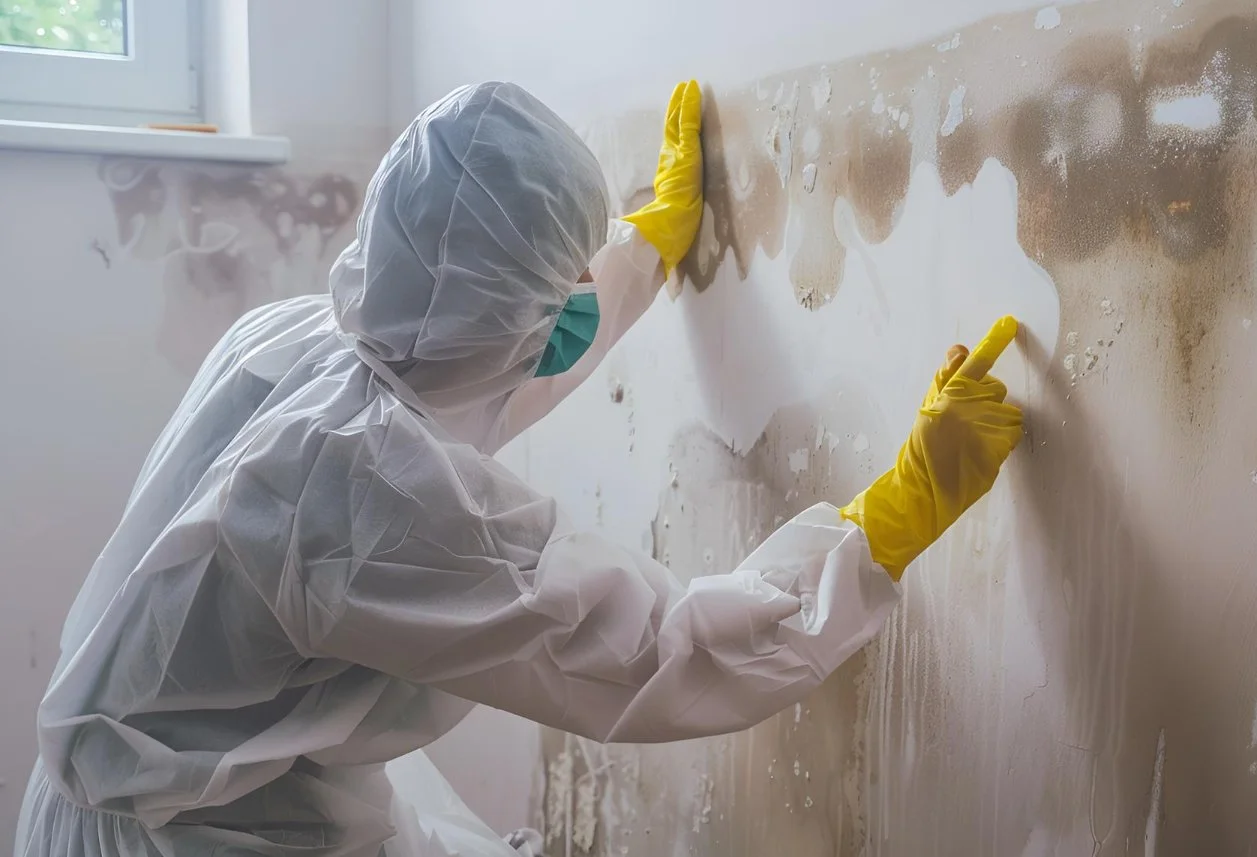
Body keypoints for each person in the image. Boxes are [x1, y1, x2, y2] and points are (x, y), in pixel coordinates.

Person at [15, 80, 1024, 857]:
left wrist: (645, 244)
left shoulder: (303, 342)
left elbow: (491, 366)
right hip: (197, 832)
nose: (580, 298)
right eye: (564, 281)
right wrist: (888, 521)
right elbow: (660, 651)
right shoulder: (368, 498)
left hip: (158, 791)